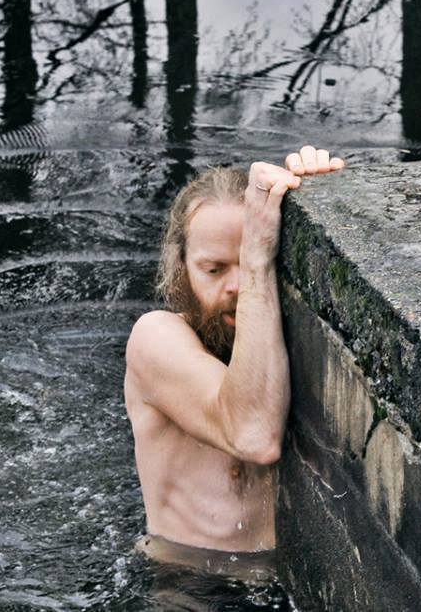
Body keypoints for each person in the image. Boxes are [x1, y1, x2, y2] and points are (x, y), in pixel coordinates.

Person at [123, 146, 344, 604]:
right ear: (180, 269)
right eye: (214, 269)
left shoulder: (283, 345)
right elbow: (254, 436)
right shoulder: (155, 339)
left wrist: (319, 188)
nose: (237, 286)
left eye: (246, 262)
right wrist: (257, 258)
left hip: (286, 584)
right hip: (186, 580)